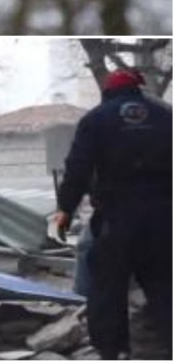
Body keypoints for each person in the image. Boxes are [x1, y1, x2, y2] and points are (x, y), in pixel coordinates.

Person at [53, 69, 172, 359]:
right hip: (162, 219)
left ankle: (111, 351)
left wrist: (65, 209)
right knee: (164, 286)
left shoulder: (95, 120)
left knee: (108, 287)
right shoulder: (166, 118)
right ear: (138, 89)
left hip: (117, 219)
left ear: (108, 91)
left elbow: (77, 169)